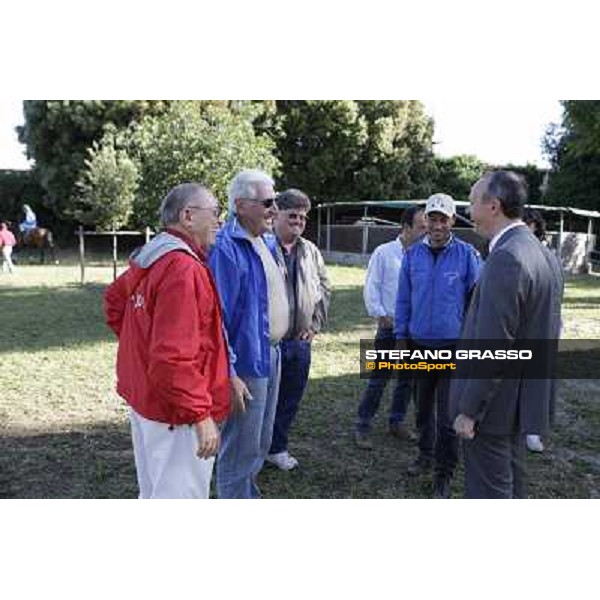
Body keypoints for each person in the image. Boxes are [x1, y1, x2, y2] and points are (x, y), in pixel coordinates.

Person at [103, 183, 231, 499]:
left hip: (150, 402)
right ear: (188, 216)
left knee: (153, 494)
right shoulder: (183, 267)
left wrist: (143, 349)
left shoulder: (153, 254)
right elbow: (173, 356)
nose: (220, 221)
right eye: (215, 212)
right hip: (176, 415)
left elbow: (115, 303)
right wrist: (200, 415)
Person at [452, 171, 564, 499]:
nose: (469, 210)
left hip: (493, 408)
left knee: (490, 492)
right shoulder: (540, 253)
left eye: (472, 202)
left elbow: (495, 347)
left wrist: (469, 410)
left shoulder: (507, 258)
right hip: (518, 403)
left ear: (493, 206)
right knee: (511, 482)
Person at [209, 169, 289, 498]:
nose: (274, 209)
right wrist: (229, 372)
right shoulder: (226, 248)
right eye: (267, 202)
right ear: (241, 205)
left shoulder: (265, 240)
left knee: (260, 441)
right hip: (246, 363)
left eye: (276, 201)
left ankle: (247, 495)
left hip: (271, 353)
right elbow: (217, 319)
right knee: (239, 448)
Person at [395, 193, 481, 498]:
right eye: (432, 218)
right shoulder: (412, 256)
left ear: (453, 221)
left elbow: (476, 301)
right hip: (419, 345)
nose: (437, 224)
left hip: (453, 347)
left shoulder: (467, 256)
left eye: (443, 218)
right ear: (426, 220)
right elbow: (403, 299)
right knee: (422, 411)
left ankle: (444, 472)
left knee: (447, 417)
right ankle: (425, 456)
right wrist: (401, 336)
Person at [265, 188, 331, 470]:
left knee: (290, 399)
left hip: (300, 343)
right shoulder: (262, 247)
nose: (299, 222)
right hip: (269, 344)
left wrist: (314, 326)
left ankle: (276, 448)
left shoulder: (310, 250)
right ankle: (252, 451)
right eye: (292, 215)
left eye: (303, 217)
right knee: (261, 403)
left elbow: (325, 287)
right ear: (275, 215)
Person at [355, 206, 427, 449]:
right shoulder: (384, 253)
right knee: (379, 378)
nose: (427, 231)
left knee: (407, 379)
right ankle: (363, 425)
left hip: (415, 329)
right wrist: (380, 314)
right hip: (390, 327)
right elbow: (372, 285)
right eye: (422, 227)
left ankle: (396, 422)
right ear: (406, 228)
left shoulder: (425, 255)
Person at [522, 207, 551, 453]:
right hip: (517, 330)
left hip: (537, 332)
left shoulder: (547, 257)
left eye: (529, 225)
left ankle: (532, 430)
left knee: (535, 381)